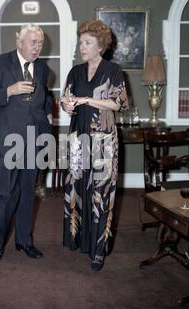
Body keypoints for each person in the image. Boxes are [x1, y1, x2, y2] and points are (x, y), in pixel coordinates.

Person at [0, 24, 52, 262]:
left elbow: (46, 94)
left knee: (28, 193)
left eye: (40, 43)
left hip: (34, 139)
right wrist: (8, 90)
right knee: (6, 193)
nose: (37, 47)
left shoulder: (41, 68)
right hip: (7, 141)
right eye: (33, 42)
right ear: (19, 42)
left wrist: (49, 112)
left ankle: (24, 241)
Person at [61, 20, 129, 271]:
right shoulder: (75, 71)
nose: (83, 47)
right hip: (78, 138)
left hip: (104, 141)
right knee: (79, 187)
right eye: (81, 42)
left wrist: (88, 99)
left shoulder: (113, 70)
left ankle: (98, 250)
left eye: (87, 43)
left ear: (101, 46)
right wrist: (67, 106)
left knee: (101, 193)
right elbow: (66, 99)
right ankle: (78, 238)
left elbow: (119, 104)